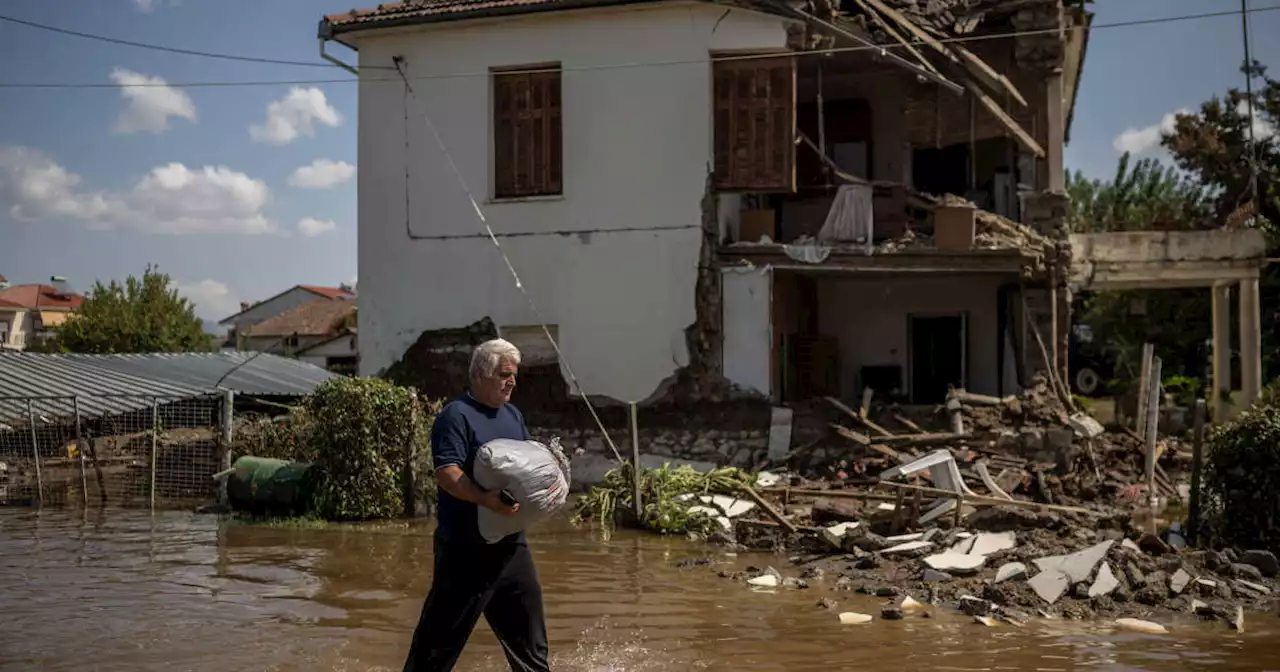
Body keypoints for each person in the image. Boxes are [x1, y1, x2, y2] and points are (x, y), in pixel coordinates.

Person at [403, 338, 550, 672]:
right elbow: (447, 473)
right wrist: (485, 499)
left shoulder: (512, 414)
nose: (512, 380)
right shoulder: (456, 416)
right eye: (504, 374)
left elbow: (530, 465)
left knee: (531, 645)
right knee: (436, 648)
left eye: (514, 374)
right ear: (481, 374)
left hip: (512, 547)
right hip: (465, 550)